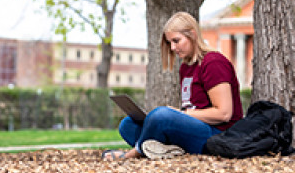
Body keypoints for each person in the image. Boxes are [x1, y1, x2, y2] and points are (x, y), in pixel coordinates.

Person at [102, 11, 243, 160]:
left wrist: (180, 114)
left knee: (161, 115)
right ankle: (165, 149)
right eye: (170, 43)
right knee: (128, 124)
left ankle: (134, 153)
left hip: (218, 135)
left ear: (193, 35)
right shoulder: (185, 67)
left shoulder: (213, 62)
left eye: (176, 41)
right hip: (196, 129)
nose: (173, 48)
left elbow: (224, 113)